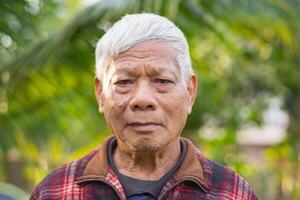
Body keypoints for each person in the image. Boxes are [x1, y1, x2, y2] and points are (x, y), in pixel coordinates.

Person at [30, 13, 258, 200]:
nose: (142, 99)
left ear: (189, 92)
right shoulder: (55, 192)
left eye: (162, 81)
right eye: (124, 82)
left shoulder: (233, 193)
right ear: (100, 94)